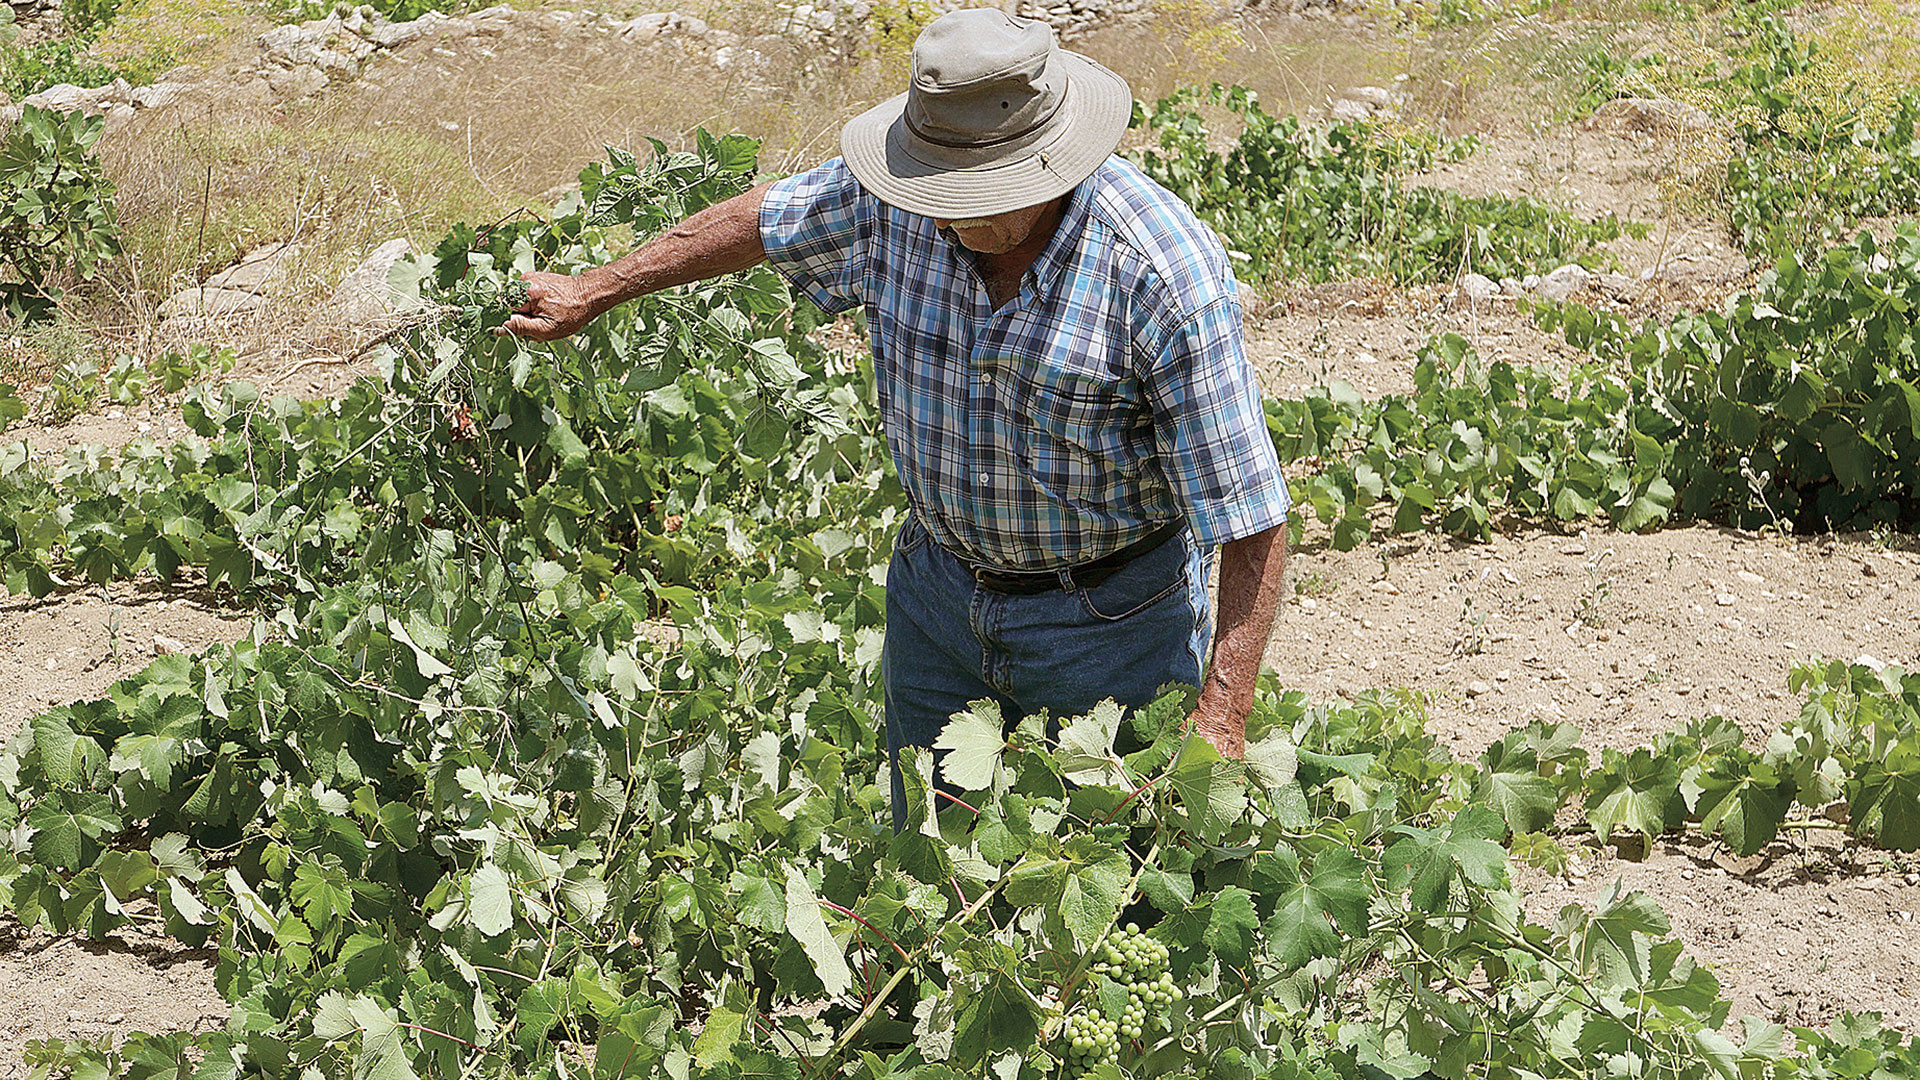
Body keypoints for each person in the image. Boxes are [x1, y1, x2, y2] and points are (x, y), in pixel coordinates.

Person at [499, 8, 1291, 822]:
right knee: (935, 872)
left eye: (975, 196)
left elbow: (1252, 517)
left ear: (1051, 167)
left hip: (1111, 627)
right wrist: (593, 290)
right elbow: (762, 223)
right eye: (936, 188)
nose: (945, 213)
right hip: (938, 603)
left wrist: (1222, 717)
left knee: (1113, 890)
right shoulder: (894, 199)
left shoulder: (1162, 277)